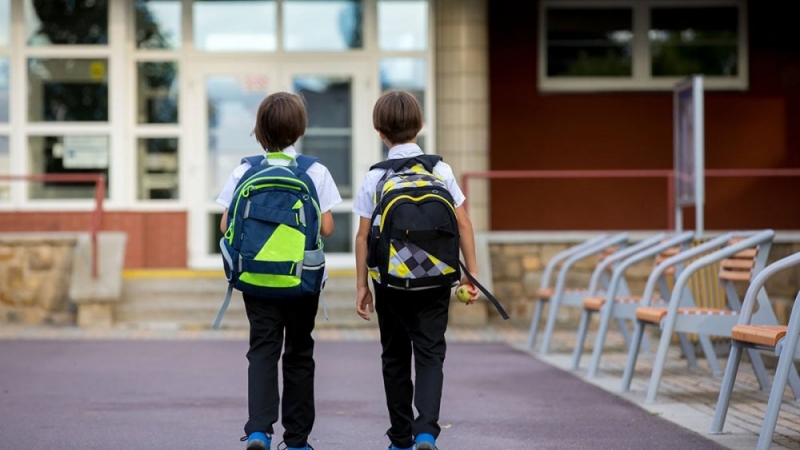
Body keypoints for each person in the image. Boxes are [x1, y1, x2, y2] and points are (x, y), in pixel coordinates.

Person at [352, 90, 480, 450]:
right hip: (436, 279)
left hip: (390, 281)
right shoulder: (440, 170)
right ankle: (426, 432)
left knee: (395, 356)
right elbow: (464, 223)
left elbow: (362, 237)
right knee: (430, 353)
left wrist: (362, 285)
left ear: (380, 133)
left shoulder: (375, 177)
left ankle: (400, 439)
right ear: (420, 126)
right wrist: (471, 274)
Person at [216, 91, 342, 450]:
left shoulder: (245, 170)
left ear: (259, 130)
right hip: (302, 280)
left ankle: (259, 430)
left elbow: (226, 223)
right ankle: (297, 440)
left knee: (262, 350)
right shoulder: (314, 171)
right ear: (300, 130)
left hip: (256, 278)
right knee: (299, 353)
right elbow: (327, 228)